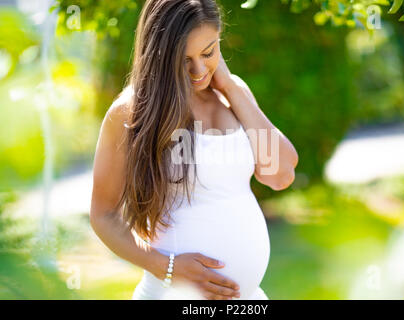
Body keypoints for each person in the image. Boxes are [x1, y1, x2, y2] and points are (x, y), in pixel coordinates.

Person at [90, 0, 298, 300]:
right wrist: (167, 267)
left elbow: (281, 174)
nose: (199, 70)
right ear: (159, 53)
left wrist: (229, 86)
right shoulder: (132, 111)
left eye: (208, 52)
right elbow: (103, 214)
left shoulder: (233, 95)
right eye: (183, 59)